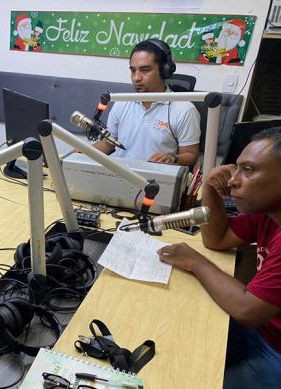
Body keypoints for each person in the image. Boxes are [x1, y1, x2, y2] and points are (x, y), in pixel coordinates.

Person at [157, 127, 281, 387]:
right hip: (261, 332)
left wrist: (194, 261)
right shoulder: (268, 213)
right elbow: (216, 239)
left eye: (248, 170)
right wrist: (211, 189)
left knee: (183, 380)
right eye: (236, 169)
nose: (233, 179)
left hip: (274, 352)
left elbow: (248, 310)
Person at [94, 39, 201, 167]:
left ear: (164, 70)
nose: (136, 78)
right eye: (133, 70)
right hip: (120, 175)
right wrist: (79, 153)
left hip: (157, 181)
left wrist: (173, 158)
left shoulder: (184, 110)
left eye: (145, 70)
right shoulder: (121, 103)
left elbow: (190, 155)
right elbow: (108, 143)